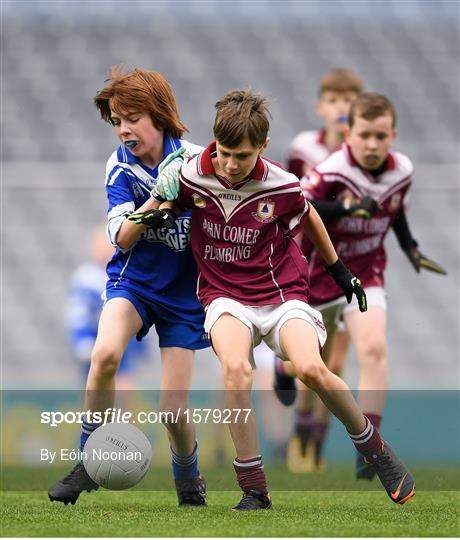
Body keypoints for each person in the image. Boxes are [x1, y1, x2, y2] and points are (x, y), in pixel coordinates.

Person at [131, 89, 416, 510]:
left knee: (312, 370)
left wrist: (340, 272)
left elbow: (311, 216)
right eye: (225, 153)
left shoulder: (281, 184)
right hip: (225, 297)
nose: (231, 164)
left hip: (282, 295)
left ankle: (377, 450)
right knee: (235, 370)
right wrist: (159, 199)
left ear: (262, 147)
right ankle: (254, 488)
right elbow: (163, 205)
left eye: (243, 156)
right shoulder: (190, 175)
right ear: (215, 142)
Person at [48, 67, 209, 507]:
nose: (123, 129)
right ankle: (86, 461)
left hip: (183, 294)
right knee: (104, 356)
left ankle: (189, 479)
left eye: (132, 118)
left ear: (159, 115)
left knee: (173, 411)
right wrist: (156, 202)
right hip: (134, 282)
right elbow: (118, 236)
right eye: (117, 120)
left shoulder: (198, 162)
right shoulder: (119, 166)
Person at [275, 92, 447, 478]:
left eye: (380, 136)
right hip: (319, 274)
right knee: (307, 366)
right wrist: (349, 209)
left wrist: (411, 247)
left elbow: (394, 208)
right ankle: (289, 383)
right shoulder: (333, 170)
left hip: (366, 273)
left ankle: (372, 444)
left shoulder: (402, 169)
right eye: (365, 135)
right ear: (348, 133)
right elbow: (303, 206)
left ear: (393, 136)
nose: (372, 144)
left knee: (373, 348)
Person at [277, 69, 364, 473]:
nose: (341, 109)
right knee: (307, 361)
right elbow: (295, 202)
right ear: (321, 106)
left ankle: (313, 446)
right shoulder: (304, 149)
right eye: (334, 100)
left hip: (350, 263)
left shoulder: (364, 154)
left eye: (349, 101)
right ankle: (288, 382)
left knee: (336, 364)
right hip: (310, 261)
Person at [67, 226, 147, 387]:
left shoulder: (126, 272)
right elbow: (79, 313)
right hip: (95, 337)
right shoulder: (87, 277)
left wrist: (141, 343)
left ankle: (127, 412)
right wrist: (82, 338)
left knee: (124, 382)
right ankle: (94, 412)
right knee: (93, 383)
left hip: (121, 334)